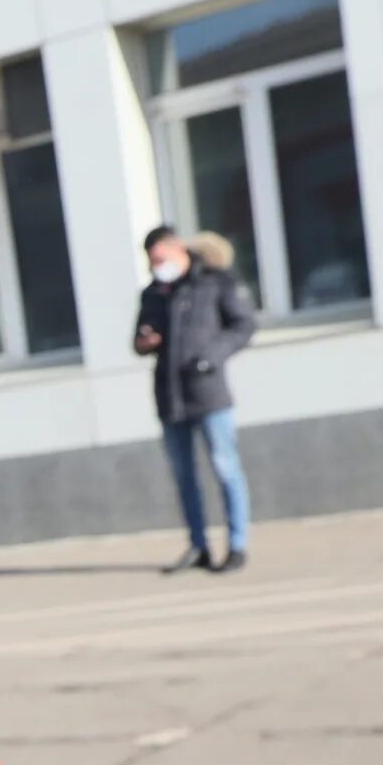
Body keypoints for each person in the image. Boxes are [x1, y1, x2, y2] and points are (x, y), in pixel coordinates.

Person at [134, 224, 257, 574]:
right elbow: (138, 339)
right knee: (184, 475)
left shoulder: (214, 282)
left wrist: (211, 356)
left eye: (160, 258)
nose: (156, 266)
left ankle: (237, 545)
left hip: (209, 393)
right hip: (170, 397)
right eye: (151, 261)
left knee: (225, 466)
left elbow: (243, 325)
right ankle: (198, 545)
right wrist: (145, 341)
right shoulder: (154, 294)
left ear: (178, 250)